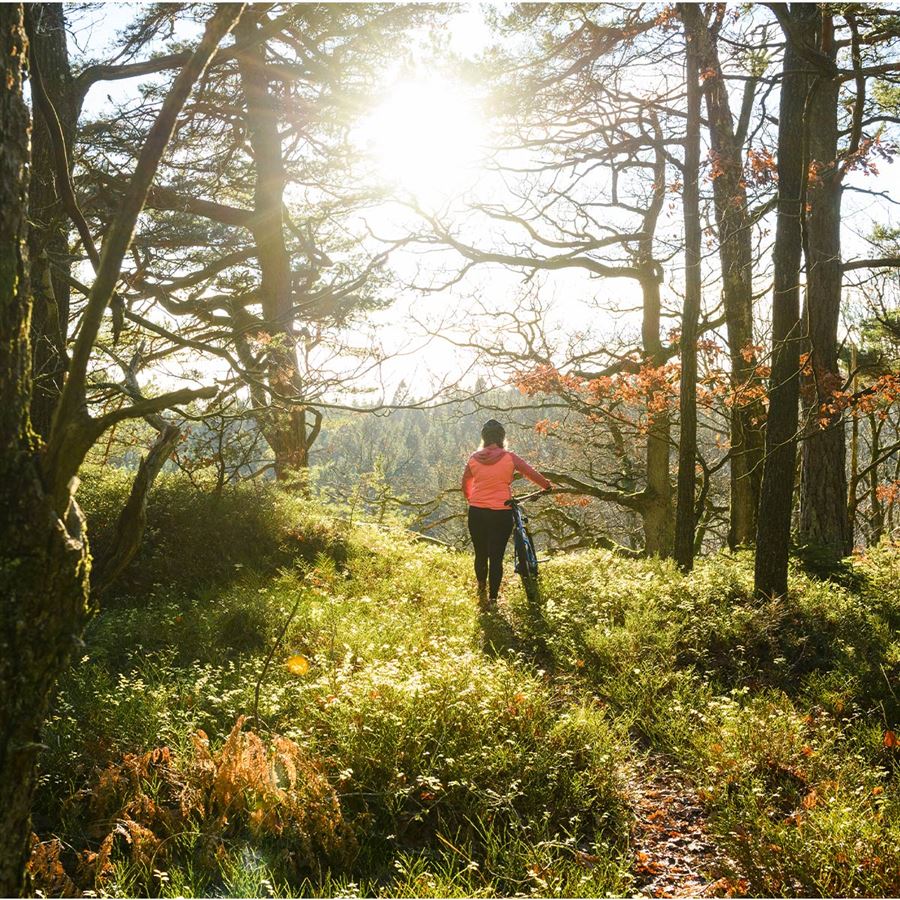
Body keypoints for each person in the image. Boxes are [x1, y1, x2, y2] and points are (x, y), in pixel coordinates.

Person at [461, 419, 552, 605]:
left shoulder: (473, 459)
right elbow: (530, 472)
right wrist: (547, 486)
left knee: (480, 553)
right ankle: (493, 599)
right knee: (496, 557)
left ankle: (481, 589)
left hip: (477, 512)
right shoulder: (510, 457)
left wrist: (473, 500)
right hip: (501, 513)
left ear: (484, 438)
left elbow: (465, 484)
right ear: (502, 438)